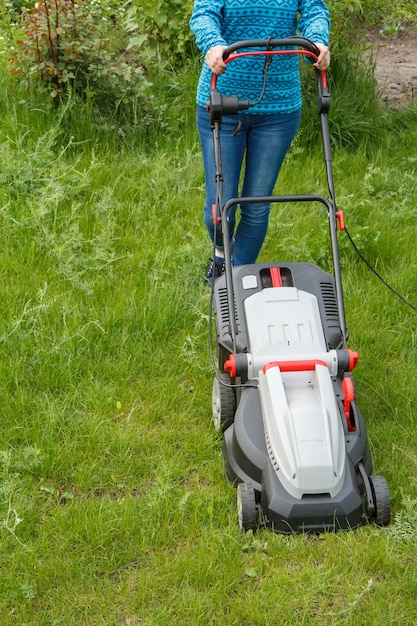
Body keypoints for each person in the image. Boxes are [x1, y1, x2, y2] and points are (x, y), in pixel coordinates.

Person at [190, 0, 330, 283]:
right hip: (222, 102)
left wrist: (317, 41)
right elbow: (204, 12)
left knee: (256, 205)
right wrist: (213, 44)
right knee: (219, 208)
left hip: (278, 109)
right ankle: (221, 254)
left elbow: (315, 9)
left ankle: (234, 280)